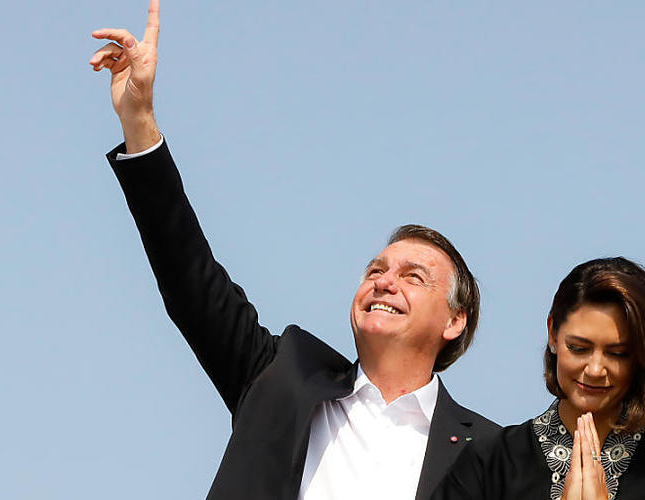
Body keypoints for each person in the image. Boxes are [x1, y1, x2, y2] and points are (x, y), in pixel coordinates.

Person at [87, 2, 499, 499]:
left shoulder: (491, 457)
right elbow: (189, 275)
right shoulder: (283, 376)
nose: (384, 282)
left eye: (414, 277)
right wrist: (141, 121)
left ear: (455, 321)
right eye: (376, 269)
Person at [432, 257, 645, 500]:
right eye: (579, 348)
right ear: (552, 332)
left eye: (617, 353)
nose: (595, 369)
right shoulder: (491, 462)